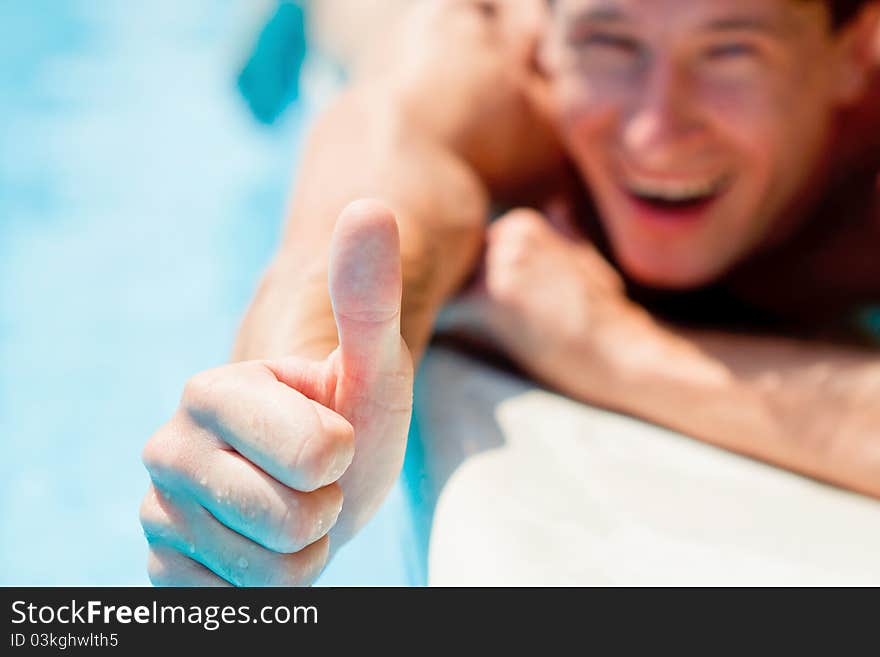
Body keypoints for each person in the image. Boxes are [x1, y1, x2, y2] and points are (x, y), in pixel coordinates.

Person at [139, 0, 880, 586]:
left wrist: (614, 347)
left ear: (856, 49)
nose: (658, 132)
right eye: (607, 41)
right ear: (545, 36)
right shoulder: (491, 76)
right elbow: (350, 224)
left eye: (731, 50)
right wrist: (280, 420)